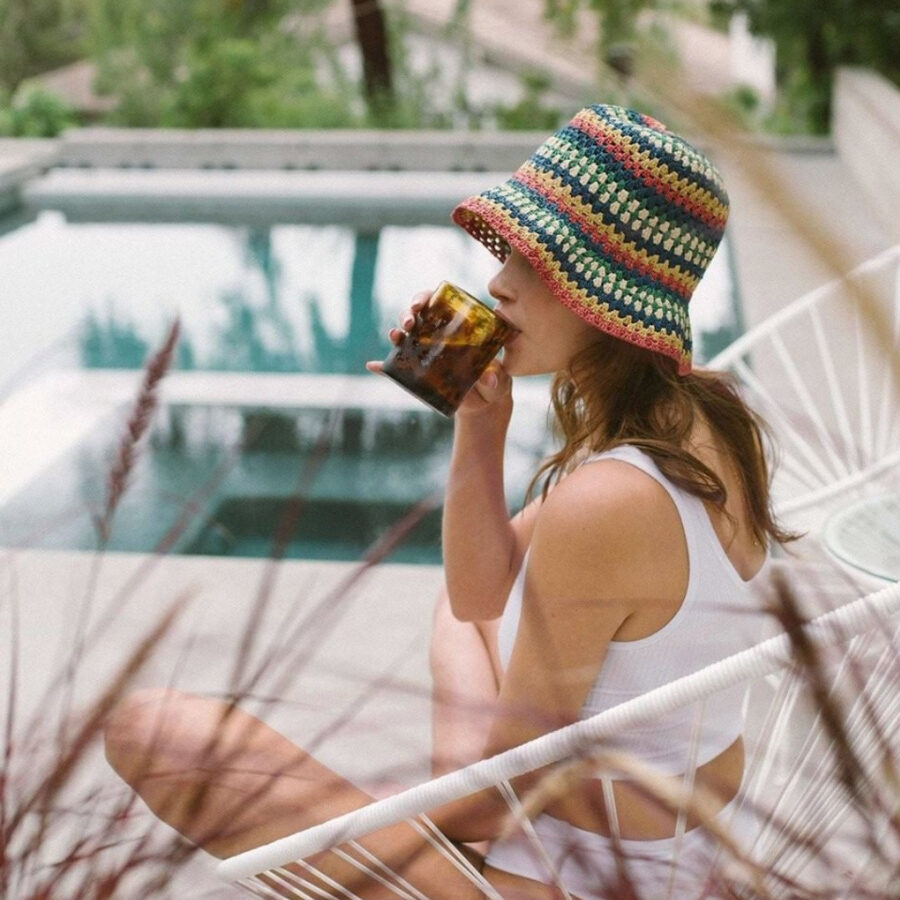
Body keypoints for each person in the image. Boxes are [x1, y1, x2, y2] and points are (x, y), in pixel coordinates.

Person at [104, 105, 794, 899]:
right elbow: (478, 595)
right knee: (458, 618)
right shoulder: (706, 414)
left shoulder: (607, 504)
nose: (498, 282)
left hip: (584, 881)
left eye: (538, 263)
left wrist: (348, 816)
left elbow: (493, 803)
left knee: (150, 731)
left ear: (608, 294)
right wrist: (481, 424)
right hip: (648, 845)